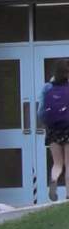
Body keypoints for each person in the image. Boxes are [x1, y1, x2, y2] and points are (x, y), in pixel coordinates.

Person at [43, 59, 69, 202]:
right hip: (68, 128)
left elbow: (42, 112)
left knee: (57, 163)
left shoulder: (48, 89)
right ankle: (68, 194)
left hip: (53, 130)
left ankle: (53, 179)